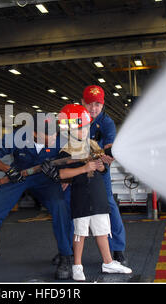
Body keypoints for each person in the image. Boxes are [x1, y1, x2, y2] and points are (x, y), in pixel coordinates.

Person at [0, 113, 74, 280]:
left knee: (61, 208)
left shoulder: (61, 139)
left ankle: (66, 256)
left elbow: (75, 161)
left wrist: (60, 174)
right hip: (19, 176)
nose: (53, 137)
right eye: (49, 134)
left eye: (55, 133)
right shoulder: (18, 136)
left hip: (46, 180)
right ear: (34, 133)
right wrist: (7, 169)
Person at [42, 104, 132, 281]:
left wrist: (101, 166)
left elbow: (102, 168)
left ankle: (108, 261)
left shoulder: (93, 146)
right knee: (79, 232)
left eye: (85, 126)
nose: (84, 131)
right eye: (79, 127)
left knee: (102, 230)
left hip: (97, 195)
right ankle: (77, 265)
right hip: (81, 197)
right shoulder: (66, 151)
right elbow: (62, 174)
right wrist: (84, 168)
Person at [81, 85, 128, 265]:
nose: (94, 108)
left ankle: (118, 249)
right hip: (77, 170)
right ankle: (67, 253)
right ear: (82, 102)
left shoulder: (107, 122)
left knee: (108, 204)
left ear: (103, 105)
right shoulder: (75, 117)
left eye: (98, 105)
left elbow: (109, 143)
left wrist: (109, 151)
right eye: (90, 104)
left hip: (99, 170)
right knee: (67, 205)